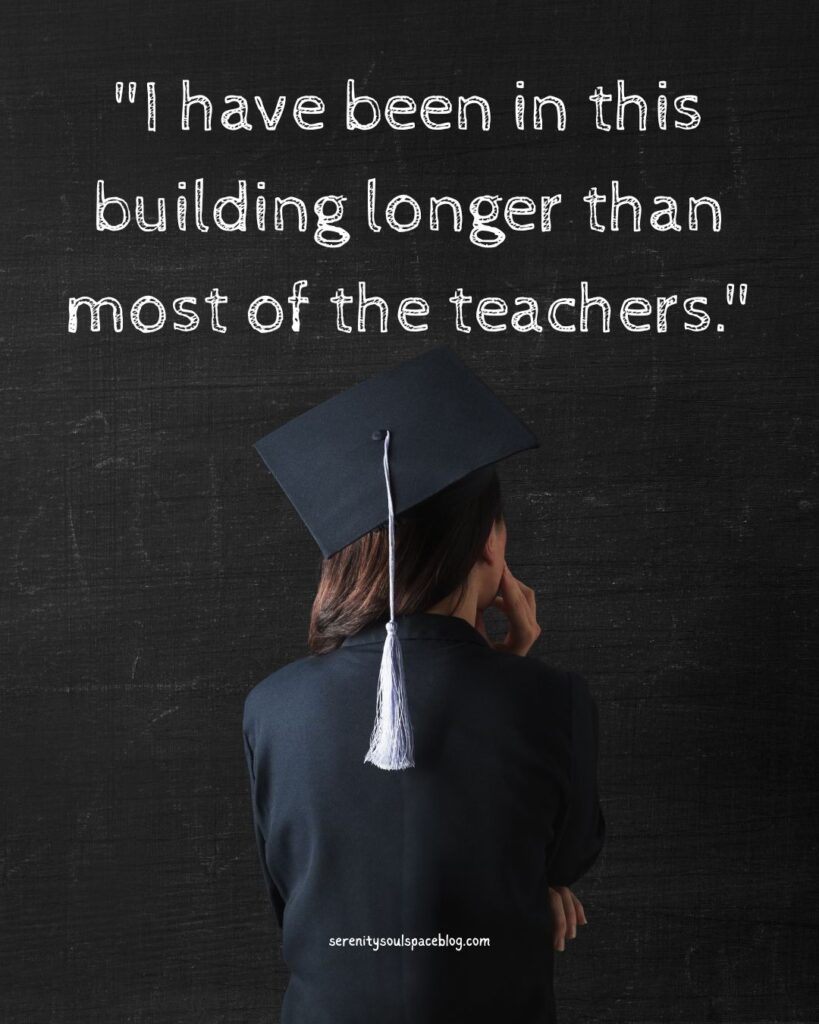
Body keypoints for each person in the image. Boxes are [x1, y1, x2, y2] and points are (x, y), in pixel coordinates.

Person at [242, 346, 605, 1023]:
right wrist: (517, 662)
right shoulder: (551, 700)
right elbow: (566, 854)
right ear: (490, 546)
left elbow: (291, 895)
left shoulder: (272, 707)